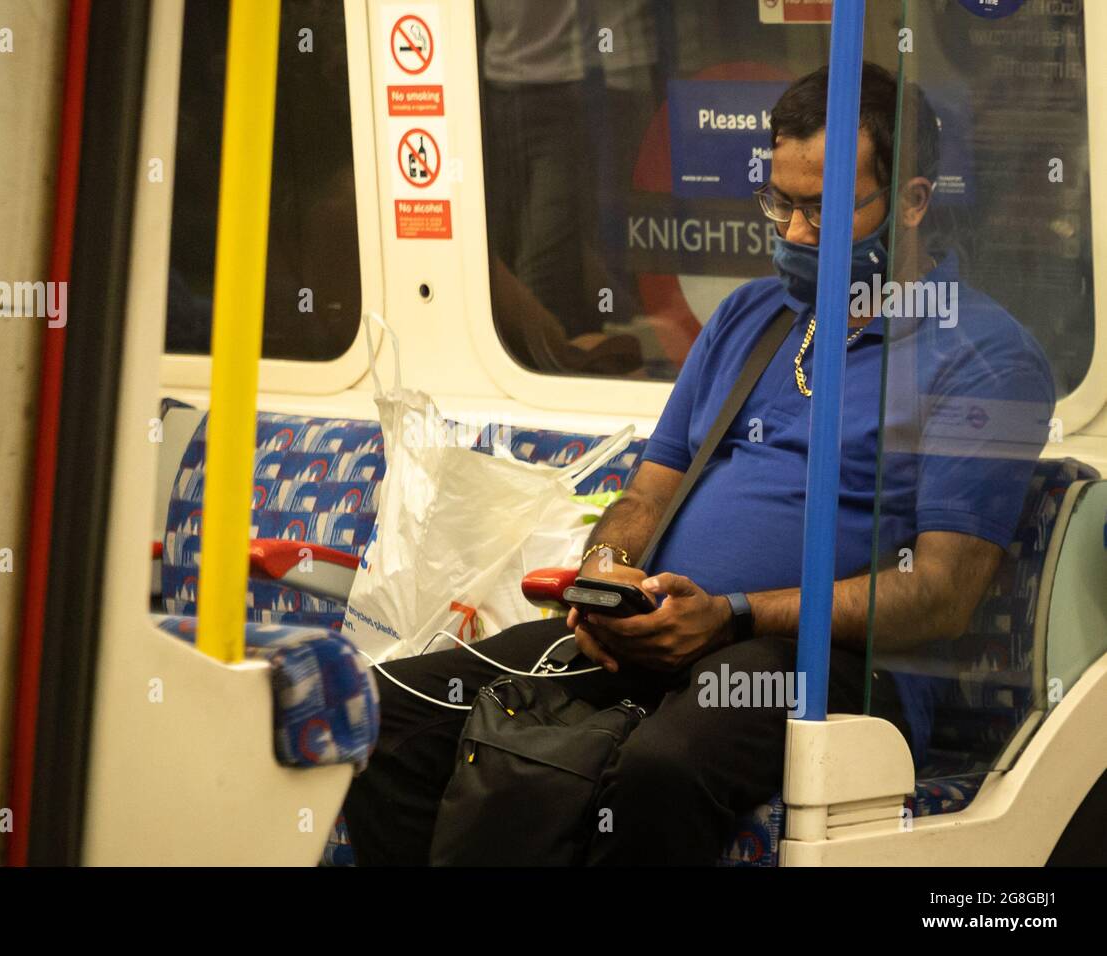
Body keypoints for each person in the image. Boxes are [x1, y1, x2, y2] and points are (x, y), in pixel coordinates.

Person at [341, 62, 1054, 865]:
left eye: (820, 211)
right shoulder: (752, 319)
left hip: (836, 670)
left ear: (914, 204)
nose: (791, 233)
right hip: (668, 629)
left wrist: (731, 613)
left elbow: (938, 597)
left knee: (660, 769)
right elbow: (646, 495)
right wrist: (607, 579)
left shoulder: (984, 356)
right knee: (388, 710)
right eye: (779, 202)